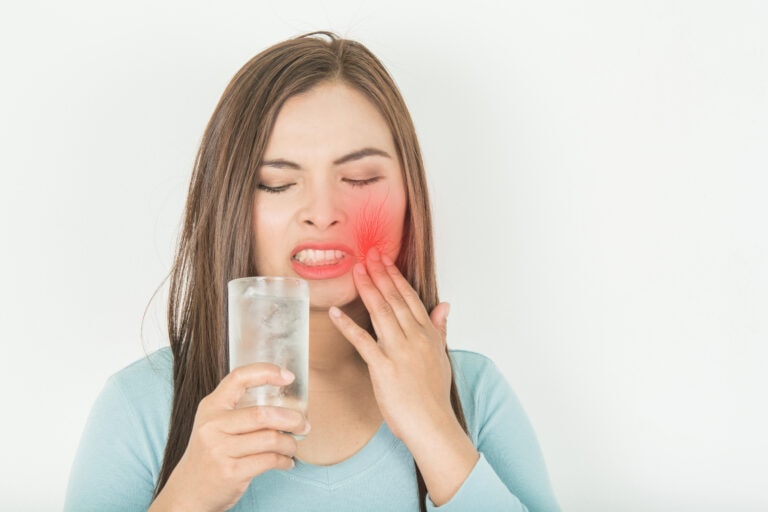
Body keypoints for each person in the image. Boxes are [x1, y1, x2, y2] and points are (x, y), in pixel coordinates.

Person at [64, 32, 561, 512]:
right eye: (277, 184)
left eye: (359, 178)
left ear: (411, 197)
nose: (322, 212)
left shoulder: (474, 394)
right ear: (231, 206)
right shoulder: (141, 407)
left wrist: (436, 431)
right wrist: (187, 500)